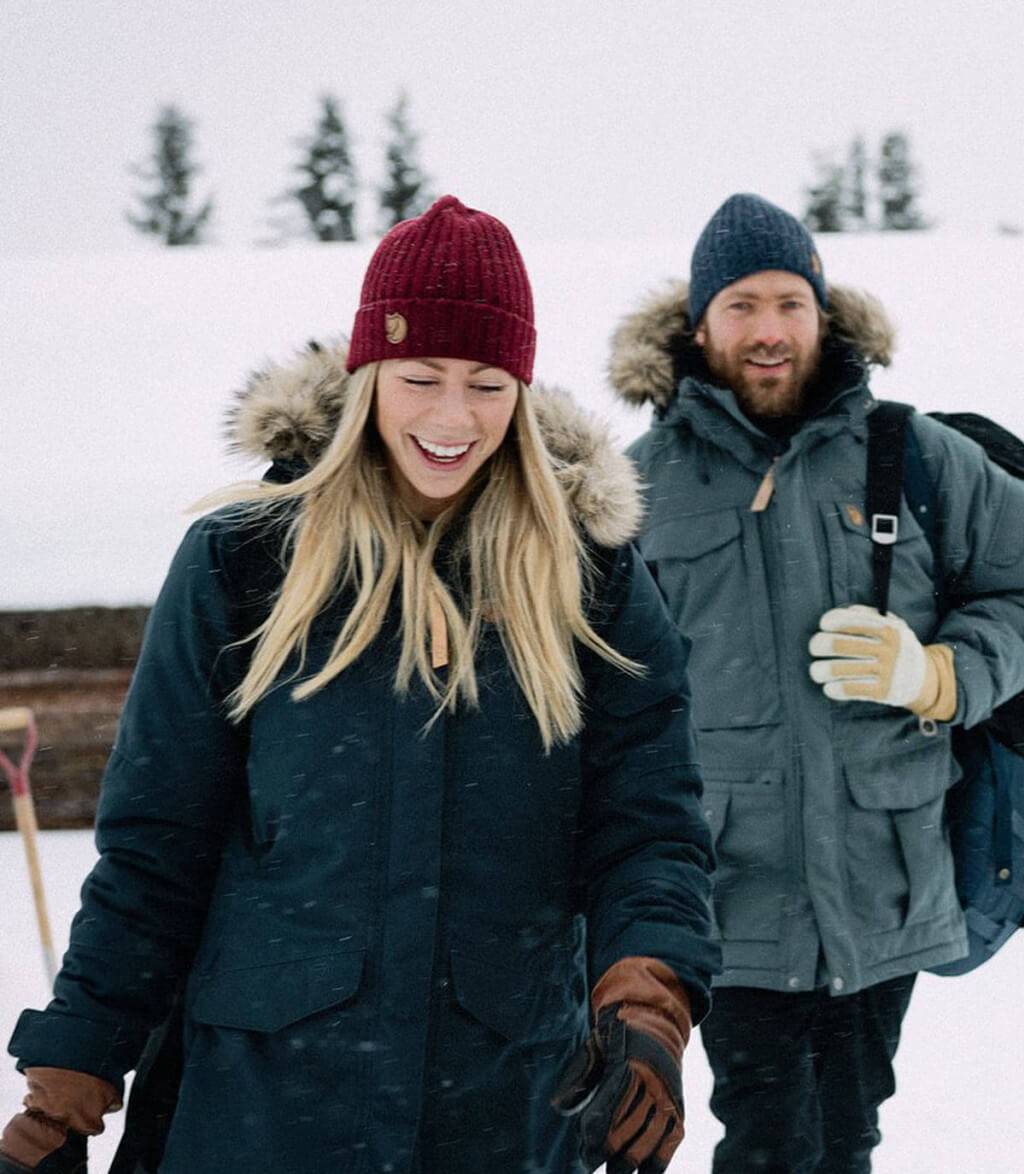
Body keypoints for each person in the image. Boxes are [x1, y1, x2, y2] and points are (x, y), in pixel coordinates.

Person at [0, 196, 719, 1174]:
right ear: (367, 374)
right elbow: (153, 854)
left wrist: (646, 1001)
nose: (452, 416)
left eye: (485, 382)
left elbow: (649, 830)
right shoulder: (242, 564)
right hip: (264, 1109)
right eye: (420, 376)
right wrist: (67, 1084)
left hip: (501, 1108)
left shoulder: (591, 581)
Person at [608, 192, 1024, 1172]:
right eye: (741, 305)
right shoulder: (636, 486)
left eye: (790, 303)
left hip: (886, 880)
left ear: (822, 315)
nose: (768, 330)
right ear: (699, 323)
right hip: (727, 891)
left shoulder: (912, 453)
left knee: (847, 1130)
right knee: (765, 1136)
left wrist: (940, 674)